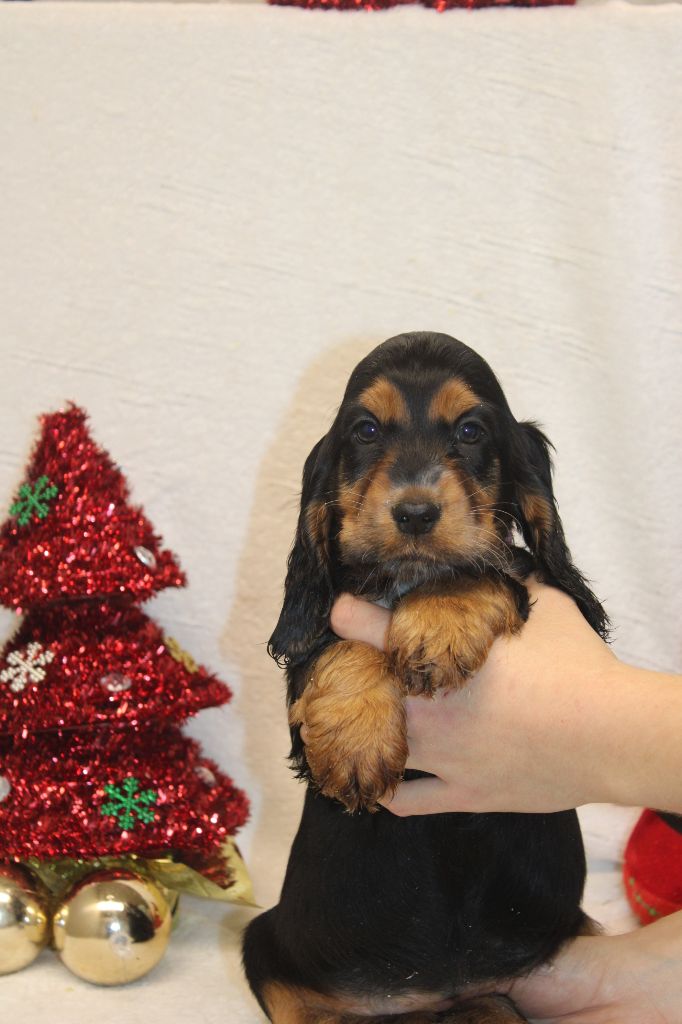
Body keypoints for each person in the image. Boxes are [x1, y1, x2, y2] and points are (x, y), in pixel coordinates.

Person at [325, 581, 682, 1024]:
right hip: (354, 929)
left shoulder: (505, 581)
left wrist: (589, 727)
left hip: (524, 918)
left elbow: (530, 583)